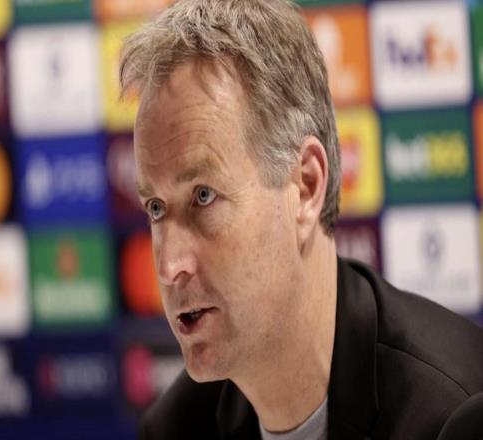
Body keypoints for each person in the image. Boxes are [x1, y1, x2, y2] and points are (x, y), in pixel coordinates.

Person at [119, 0, 483, 438]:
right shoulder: (173, 428)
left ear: (306, 186)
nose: (168, 266)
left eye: (203, 196)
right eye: (156, 208)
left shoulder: (453, 414)